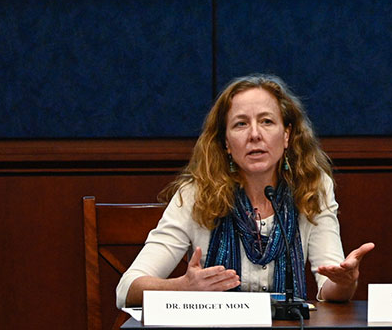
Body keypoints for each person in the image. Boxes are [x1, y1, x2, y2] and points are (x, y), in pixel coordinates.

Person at [116, 74, 374, 308]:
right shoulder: (196, 194)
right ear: (226, 143)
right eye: (240, 124)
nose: (254, 135)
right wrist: (183, 287)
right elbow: (126, 289)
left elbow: (329, 288)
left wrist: (345, 280)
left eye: (267, 121)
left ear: (286, 135)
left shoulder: (312, 188)